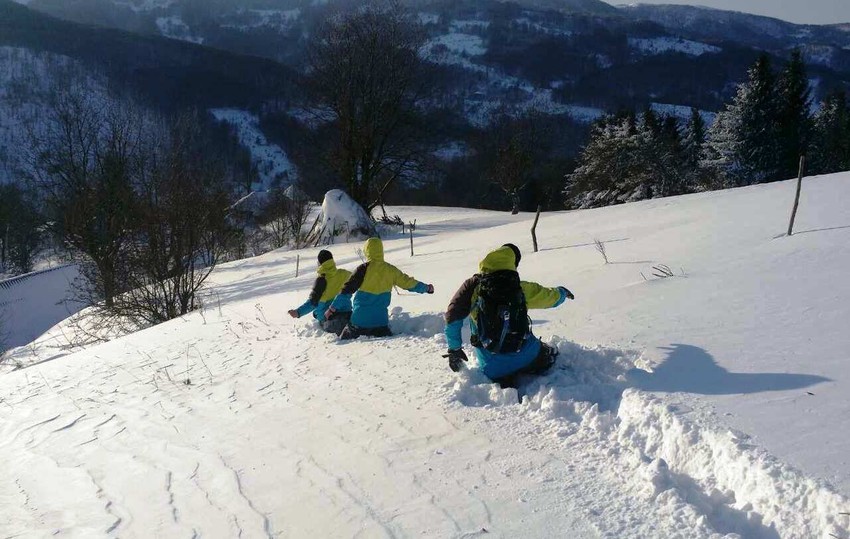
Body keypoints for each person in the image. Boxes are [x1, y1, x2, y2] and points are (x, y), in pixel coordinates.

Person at [443, 243, 574, 387]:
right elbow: (549, 298)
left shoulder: (472, 290)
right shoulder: (521, 288)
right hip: (529, 356)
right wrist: (562, 293)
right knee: (546, 354)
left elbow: (452, 318)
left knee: (498, 370)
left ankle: (505, 380)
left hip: (492, 367)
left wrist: (454, 349)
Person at [326, 237, 434, 340]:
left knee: (343, 338)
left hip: (359, 323)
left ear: (366, 251)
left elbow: (345, 292)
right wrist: (426, 288)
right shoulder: (390, 270)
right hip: (380, 323)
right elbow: (409, 283)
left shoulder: (362, 269)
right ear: (381, 250)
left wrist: (332, 309)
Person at [288, 250, 352, 335]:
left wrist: (298, 312)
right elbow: (360, 280)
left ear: (319, 263)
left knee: (318, 315)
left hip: (329, 319)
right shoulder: (344, 274)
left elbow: (312, 303)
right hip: (347, 314)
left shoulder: (321, 281)